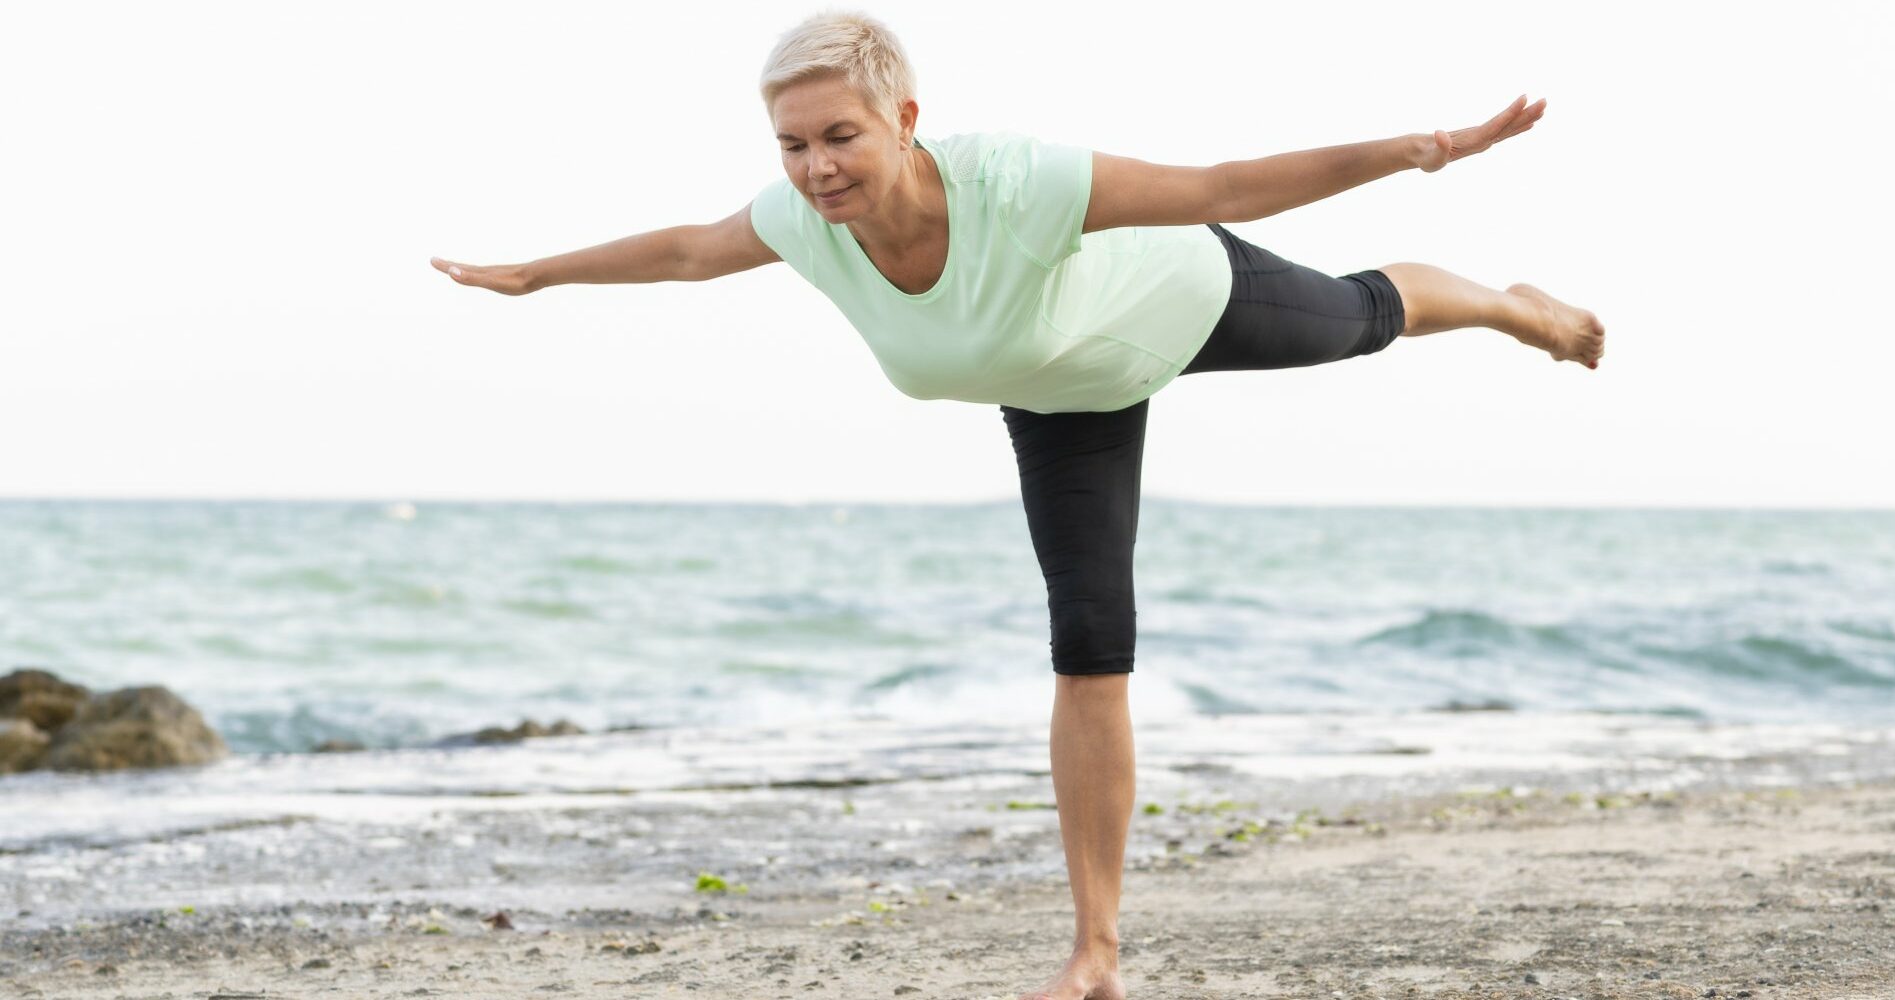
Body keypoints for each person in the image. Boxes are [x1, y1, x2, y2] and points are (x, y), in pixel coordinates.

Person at [431, 11, 1605, 1000]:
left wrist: (1415, 148)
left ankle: (1518, 309)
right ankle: (1095, 947)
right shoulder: (798, 220)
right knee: (1089, 645)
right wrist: (535, 273)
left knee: (1360, 317)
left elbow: (1220, 183)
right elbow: (689, 250)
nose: (815, 167)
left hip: (1173, 300)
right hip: (1058, 393)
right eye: (791, 144)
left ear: (903, 119)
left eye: (839, 135)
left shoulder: (1015, 180)